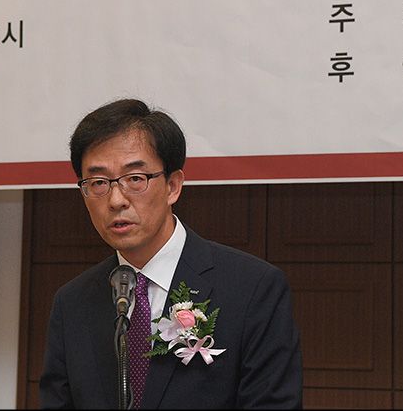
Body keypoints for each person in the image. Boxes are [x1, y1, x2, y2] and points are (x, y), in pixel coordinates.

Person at [39, 98, 303, 409]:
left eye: (135, 179)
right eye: (98, 182)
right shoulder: (72, 302)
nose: (116, 200)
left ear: (173, 186)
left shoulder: (253, 288)